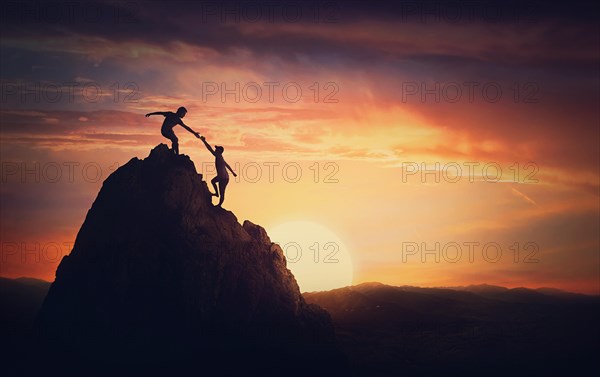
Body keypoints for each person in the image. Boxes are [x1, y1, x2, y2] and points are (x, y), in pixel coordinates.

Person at [200, 136, 237, 207]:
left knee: (222, 192)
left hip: (224, 178)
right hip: (221, 177)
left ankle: (219, 205)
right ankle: (216, 194)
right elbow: (227, 165)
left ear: (220, 151)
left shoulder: (218, 156)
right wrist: (233, 173)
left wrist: (204, 141)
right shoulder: (220, 157)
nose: (215, 150)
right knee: (213, 181)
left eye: (217, 149)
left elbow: (209, 149)